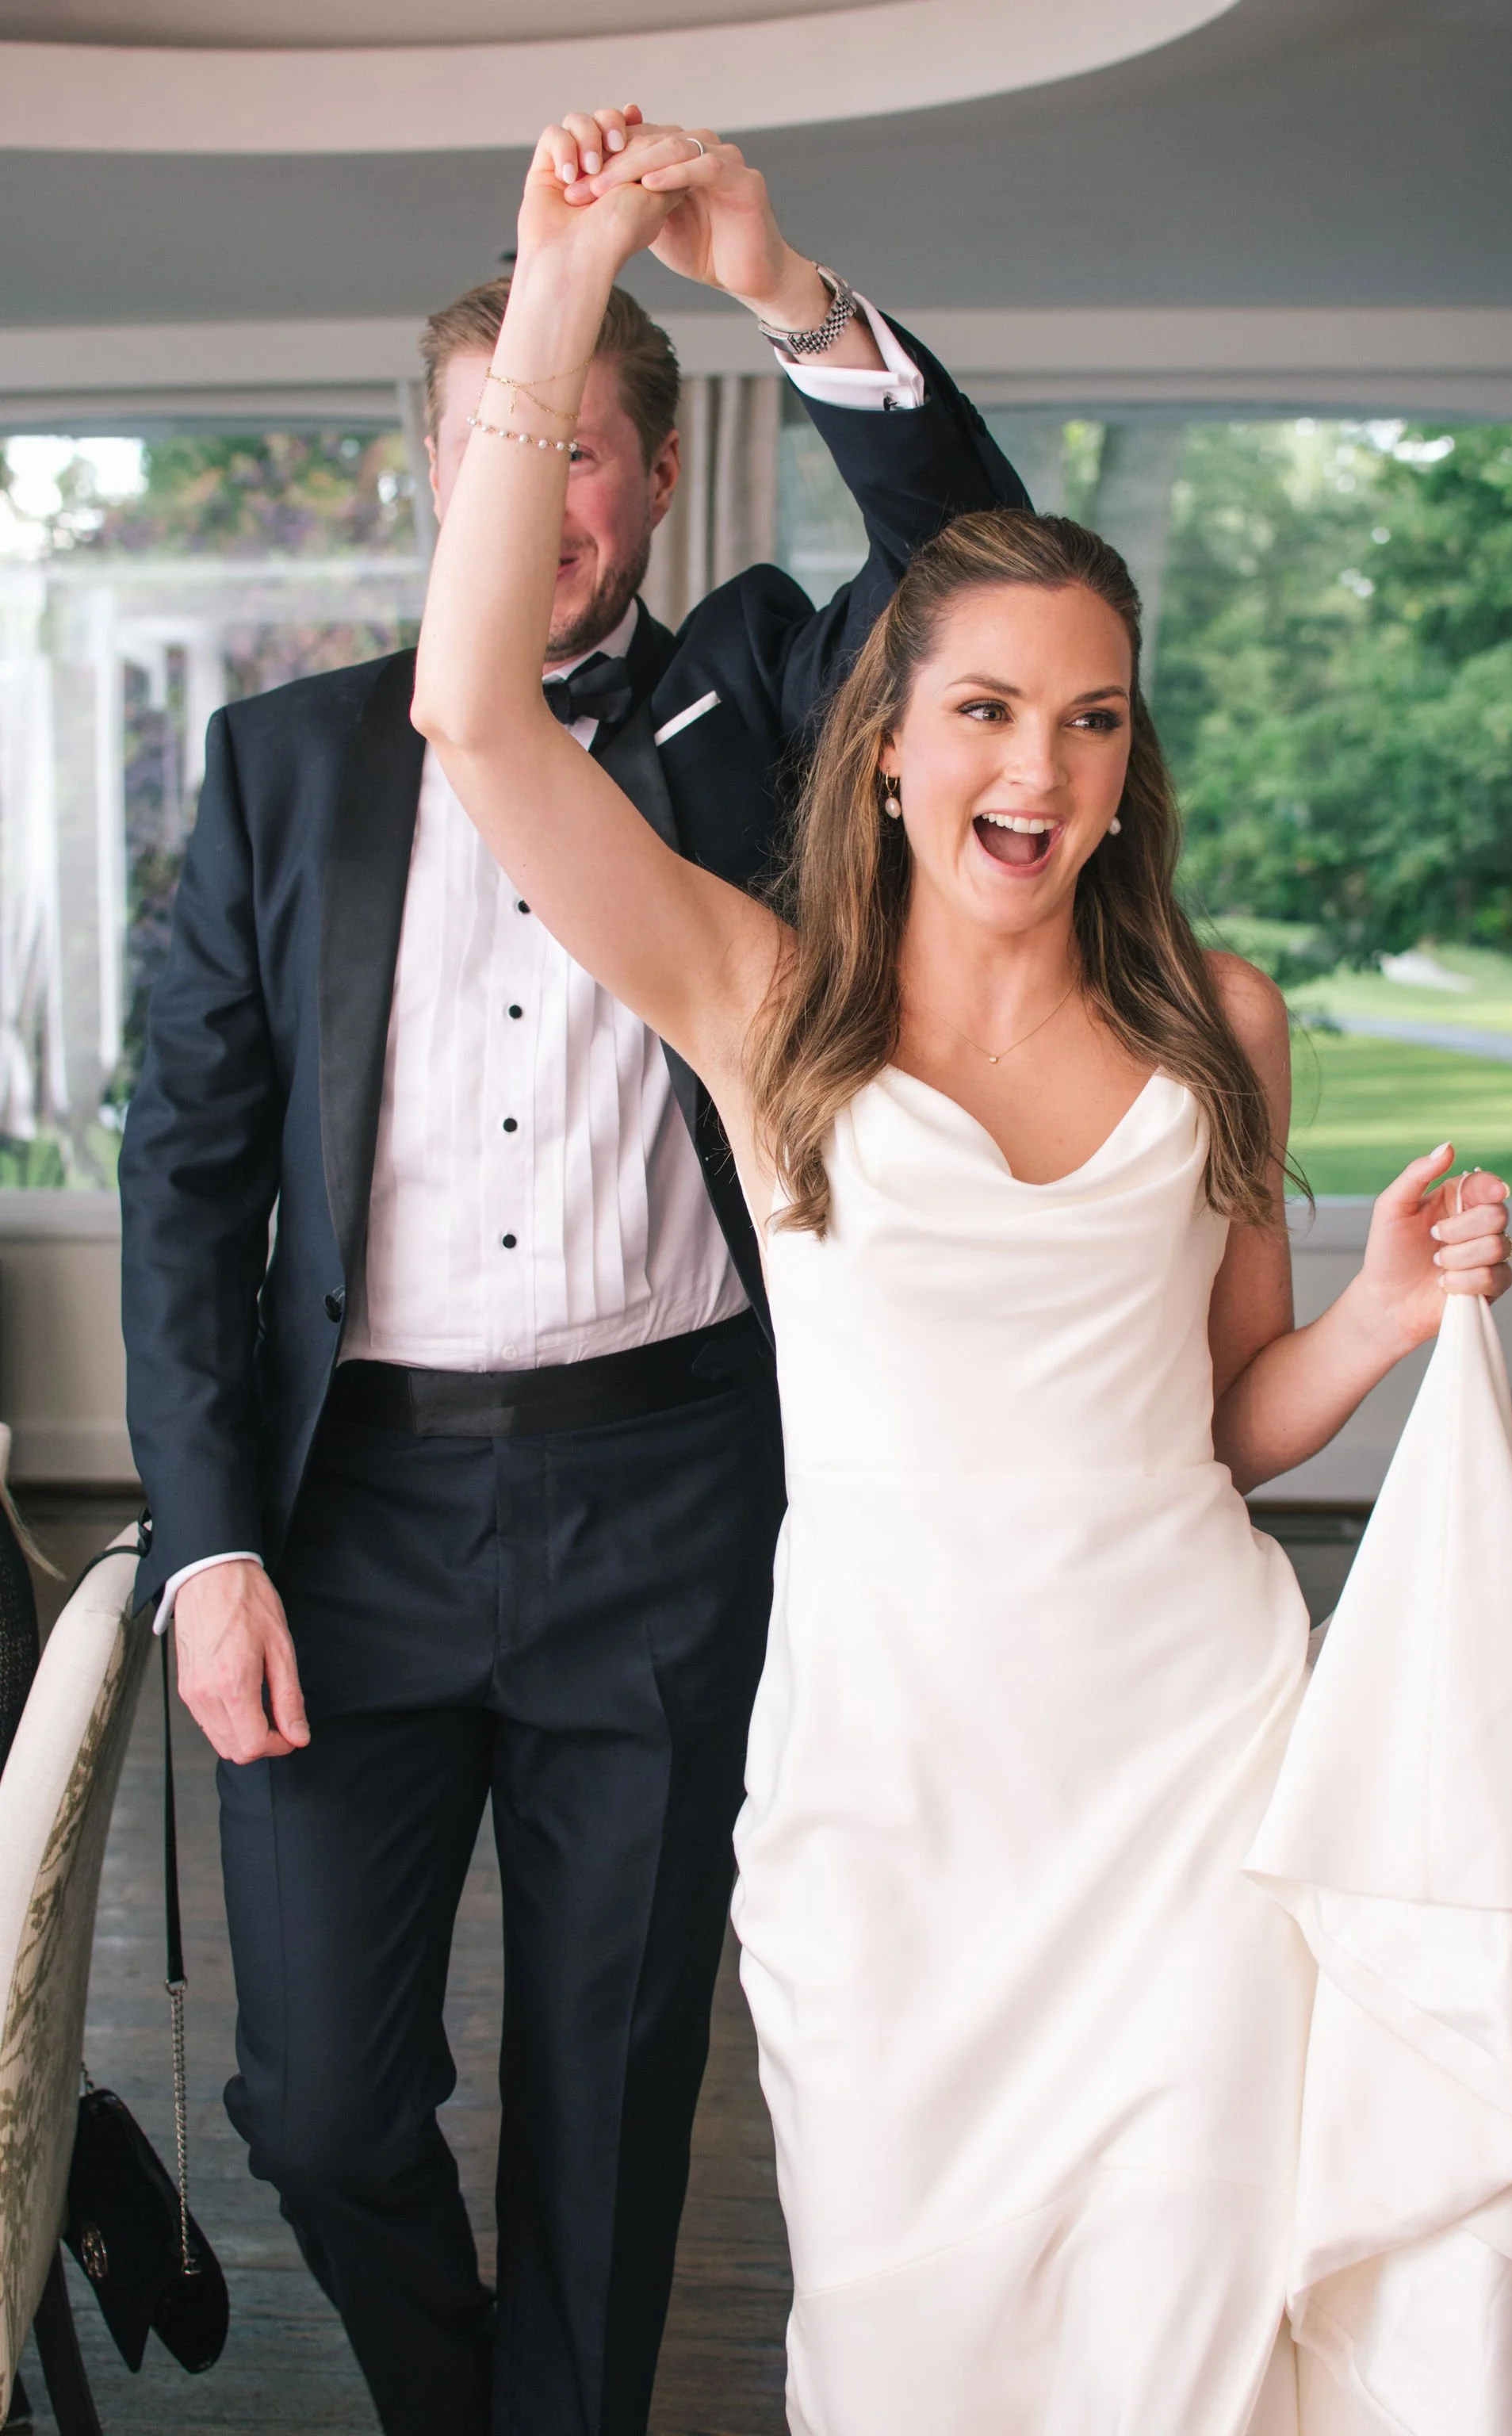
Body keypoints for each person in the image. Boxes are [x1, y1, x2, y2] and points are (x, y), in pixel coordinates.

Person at [408, 140, 1512, 2434]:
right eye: (986, 710)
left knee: (1190, 2345)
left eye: (1096, 717)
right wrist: (563, 298)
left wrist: (1384, 1316)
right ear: (888, 737)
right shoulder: (761, 1003)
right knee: (919, 2346)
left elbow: (1226, 1410)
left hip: (1195, 1778)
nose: (1039, 768)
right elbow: (475, 721)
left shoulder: (1218, 1021)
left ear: (1137, 758)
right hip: (896, 1812)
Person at [118, 104, 1026, 2436]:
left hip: (667, 1497)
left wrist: (790, 287)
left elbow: (988, 578)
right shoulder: (280, 770)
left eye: (610, 452)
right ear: (456, 472)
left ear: (641, 479)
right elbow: (189, 1185)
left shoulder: (752, 706)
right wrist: (208, 1540)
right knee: (312, 2106)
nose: (564, 497)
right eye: (520, 441)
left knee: (615, 2113)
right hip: (349, 1521)